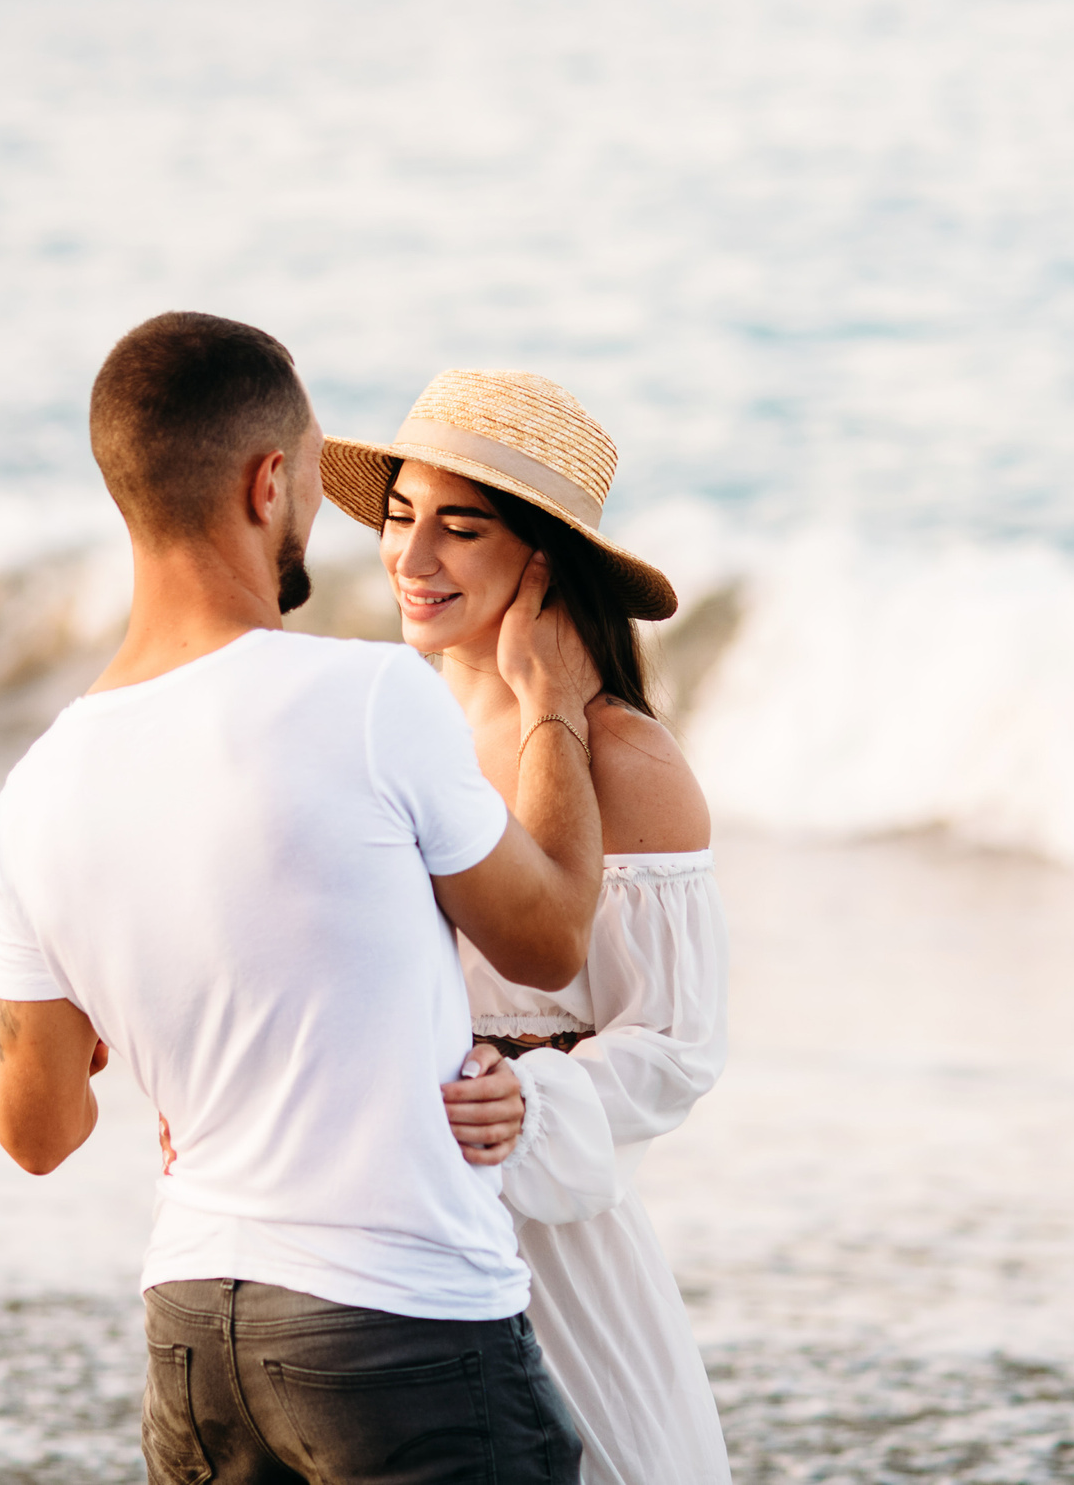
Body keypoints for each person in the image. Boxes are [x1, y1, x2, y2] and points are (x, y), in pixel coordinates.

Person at [0, 312, 607, 1485]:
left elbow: (37, 1130)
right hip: (399, 1327)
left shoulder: (38, 788)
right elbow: (551, 937)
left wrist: (99, 1036)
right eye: (318, 479)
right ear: (269, 482)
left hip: (194, 1342)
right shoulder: (370, 697)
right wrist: (555, 706)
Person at [320, 369, 733, 1485]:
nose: (410, 560)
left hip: (548, 1245)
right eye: (400, 519)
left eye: (460, 529)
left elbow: (677, 1050)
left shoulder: (627, 762)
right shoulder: (393, 727)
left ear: (542, 559)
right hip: (376, 1226)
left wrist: (532, 1100)